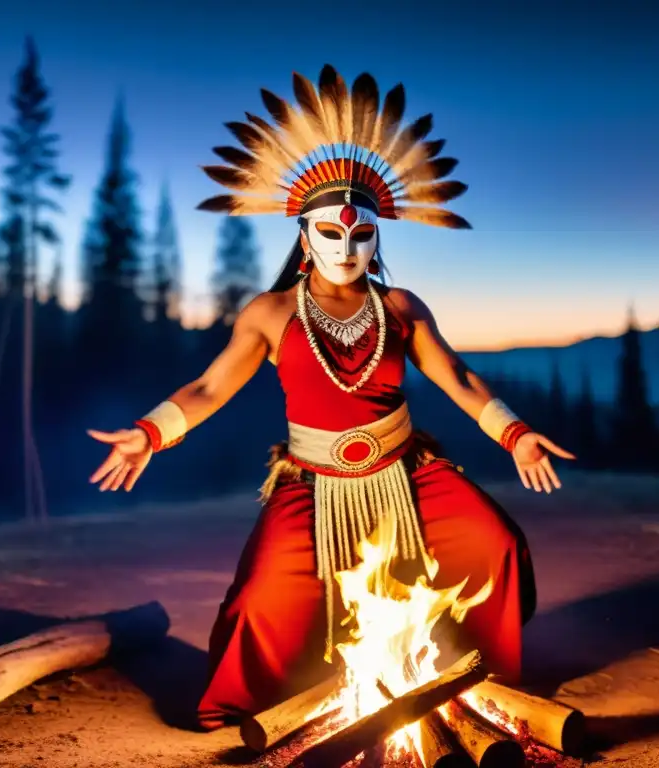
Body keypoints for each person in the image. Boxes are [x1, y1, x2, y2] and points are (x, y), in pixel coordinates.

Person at [87, 65, 575, 730]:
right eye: (331, 233)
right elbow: (208, 386)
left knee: (495, 544)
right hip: (311, 481)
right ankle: (244, 709)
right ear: (303, 236)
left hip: (408, 473)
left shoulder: (401, 307)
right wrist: (149, 432)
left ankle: (480, 680)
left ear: (377, 238)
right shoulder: (270, 312)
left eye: (361, 234)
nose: (346, 246)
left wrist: (514, 432)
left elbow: (455, 376)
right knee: (262, 597)